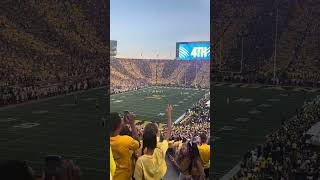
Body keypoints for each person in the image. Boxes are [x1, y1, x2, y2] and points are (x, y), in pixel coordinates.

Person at [134, 104, 173, 180]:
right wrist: (169, 114)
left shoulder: (140, 158)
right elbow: (168, 132)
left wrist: (133, 125)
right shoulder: (160, 149)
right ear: (155, 139)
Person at [110, 112, 140, 180]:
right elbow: (138, 143)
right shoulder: (125, 140)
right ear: (119, 126)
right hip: (124, 176)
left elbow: (114, 131)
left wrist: (123, 123)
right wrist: (132, 124)